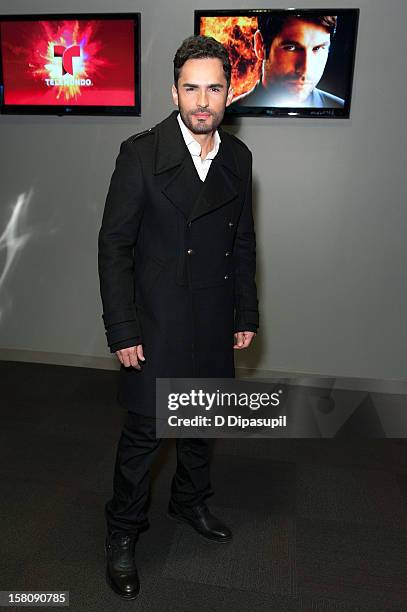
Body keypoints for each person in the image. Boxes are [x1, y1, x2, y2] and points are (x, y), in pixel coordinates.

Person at [98, 35, 259, 600]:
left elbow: (241, 242)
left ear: (229, 94)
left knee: (201, 424)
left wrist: (246, 311)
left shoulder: (238, 158)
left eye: (214, 88)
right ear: (175, 91)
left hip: (214, 314)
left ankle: (190, 502)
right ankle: (123, 533)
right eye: (191, 88)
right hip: (158, 319)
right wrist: (122, 328)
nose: (202, 100)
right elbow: (114, 246)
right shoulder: (140, 154)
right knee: (144, 436)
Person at [239, 14, 344, 108]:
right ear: (260, 46)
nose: (306, 69)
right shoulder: (228, 117)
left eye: (318, 48)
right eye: (291, 48)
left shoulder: (343, 111)